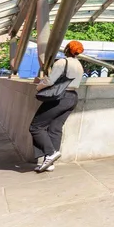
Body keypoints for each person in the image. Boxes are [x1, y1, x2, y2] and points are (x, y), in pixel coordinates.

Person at [30, 41, 86, 173]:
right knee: (55, 129)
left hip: (59, 97)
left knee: (36, 127)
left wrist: (38, 87)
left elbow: (50, 81)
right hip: (72, 97)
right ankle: (49, 163)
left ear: (67, 49)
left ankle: (50, 153)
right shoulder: (79, 65)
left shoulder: (62, 62)